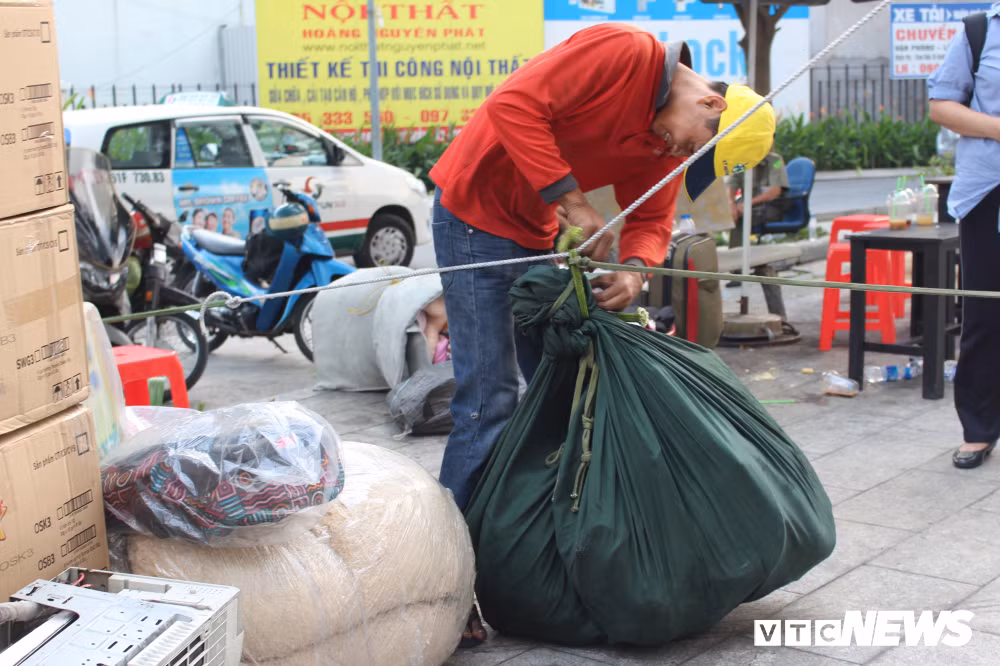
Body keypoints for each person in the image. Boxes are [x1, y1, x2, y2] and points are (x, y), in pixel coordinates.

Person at [428, 22, 775, 646]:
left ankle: (532, 551)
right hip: (474, 216)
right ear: (710, 104)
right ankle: (442, 585)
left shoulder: (668, 144)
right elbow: (512, 105)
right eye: (690, 145)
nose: (676, 156)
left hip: (533, 234)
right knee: (489, 402)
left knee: (563, 386)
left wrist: (637, 273)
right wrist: (574, 201)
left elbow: (652, 216)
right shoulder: (627, 52)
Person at [928, 5, 1000, 469]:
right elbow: (941, 105)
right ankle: (978, 428)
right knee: (984, 314)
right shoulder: (980, 30)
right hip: (989, 192)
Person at [725, 147, 789, 285]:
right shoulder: (741, 162)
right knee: (730, 213)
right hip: (747, 206)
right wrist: (731, 205)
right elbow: (731, 185)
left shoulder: (775, 161)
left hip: (771, 206)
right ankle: (736, 266)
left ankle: (737, 269)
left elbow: (774, 191)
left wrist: (748, 203)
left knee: (741, 217)